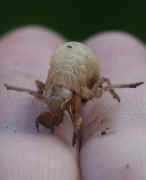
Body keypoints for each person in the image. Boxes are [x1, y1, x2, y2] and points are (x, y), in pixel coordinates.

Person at [0, 26, 145, 180]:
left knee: (99, 86)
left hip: (82, 63)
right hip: (68, 61)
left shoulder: (79, 91)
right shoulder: (52, 87)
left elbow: (101, 83)